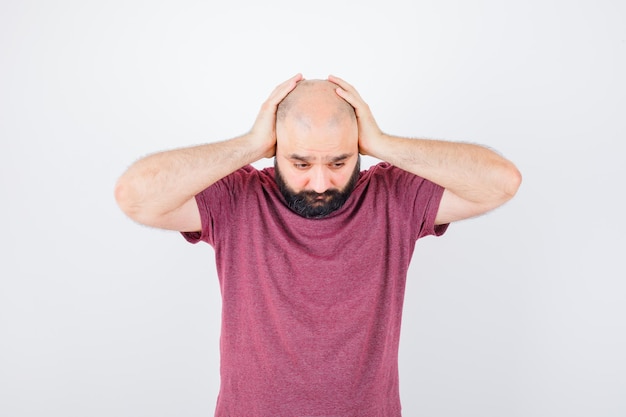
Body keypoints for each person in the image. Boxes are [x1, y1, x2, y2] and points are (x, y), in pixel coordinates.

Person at [115, 74, 521, 416]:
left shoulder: (393, 196)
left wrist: (381, 142)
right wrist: (251, 144)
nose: (322, 183)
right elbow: (135, 196)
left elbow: (501, 183)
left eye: (339, 162)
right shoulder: (237, 198)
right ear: (275, 150)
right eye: (301, 163)